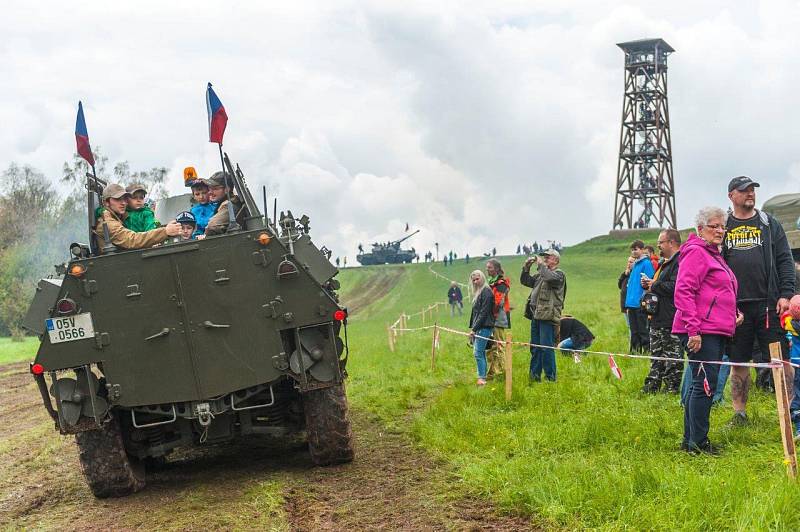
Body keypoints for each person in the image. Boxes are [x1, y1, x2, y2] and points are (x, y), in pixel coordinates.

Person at [723, 176, 795, 426]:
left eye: (752, 190)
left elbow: (785, 260)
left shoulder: (769, 223)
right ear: (731, 195)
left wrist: (786, 294)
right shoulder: (724, 226)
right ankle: (739, 414)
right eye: (744, 190)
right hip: (736, 309)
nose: (750, 194)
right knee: (738, 362)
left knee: (781, 361)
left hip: (769, 305)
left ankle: (788, 411)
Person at [673, 206, 740, 455]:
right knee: (705, 385)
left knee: (700, 384)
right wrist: (693, 330)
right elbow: (684, 291)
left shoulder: (714, 254)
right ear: (700, 229)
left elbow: (715, 293)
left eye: (723, 226)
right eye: (714, 226)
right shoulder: (697, 253)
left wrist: (733, 315)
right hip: (701, 330)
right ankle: (698, 444)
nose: (720, 231)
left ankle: (691, 440)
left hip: (713, 329)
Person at [641, 229, 683, 394]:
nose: (658, 245)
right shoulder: (664, 262)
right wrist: (650, 284)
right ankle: (653, 385)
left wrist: (654, 284)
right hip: (657, 317)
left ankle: (671, 387)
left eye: (661, 242)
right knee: (656, 355)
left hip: (671, 317)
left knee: (672, 356)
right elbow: (660, 285)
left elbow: (676, 287)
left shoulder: (680, 262)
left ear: (671, 242)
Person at [521, 249, 566, 382]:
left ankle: (550, 378)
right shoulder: (541, 274)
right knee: (535, 347)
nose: (545, 259)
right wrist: (526, 267)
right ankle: (534, 377)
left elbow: (549, 278)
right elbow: (526, 281)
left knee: (546, 348)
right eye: (544, 257)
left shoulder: (559, 275)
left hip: (548, 316)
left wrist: (540, 265)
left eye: (548, 257)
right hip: (536, 315)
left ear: (556, 260)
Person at [94, 183, 180, 252]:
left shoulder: (120, 218)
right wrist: (165, 232)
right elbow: (133, 240)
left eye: (124, 199)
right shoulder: (108, 224)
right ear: (106, 203)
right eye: (117, 199)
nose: (123, 203)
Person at [623, 240, 655, 353]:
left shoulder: (646, 263)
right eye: (632, 250)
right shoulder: (635, 264)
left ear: (642, 249)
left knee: (643, 329)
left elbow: (650, 281)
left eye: (636, 249)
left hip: (640, 303)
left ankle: (647, 351)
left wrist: (644, 299)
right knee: (634, 330)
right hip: (631, 303)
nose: (634, 251)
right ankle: (634, 352)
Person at [468, 269, 495, 386]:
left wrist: (474, 329)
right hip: (479, 326)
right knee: (480, 352)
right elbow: (475, 313)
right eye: (473, 280)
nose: (475, 282)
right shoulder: (479, 292)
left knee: (478, 352)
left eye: (477, 279)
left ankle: (482, 378)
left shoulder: (487, 292)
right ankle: (482, 377)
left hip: (485, 326)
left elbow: (483, 313)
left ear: (482, 278)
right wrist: (473, 327)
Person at [779, 295, 800, 438]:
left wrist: (788, 311)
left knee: (798, 394)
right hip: (797, 363)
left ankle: (798, 425)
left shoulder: (789, 322)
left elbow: (784, 318)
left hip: (796, 363)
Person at [486, 259, 511, 379]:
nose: (487, 269)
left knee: (499, 345)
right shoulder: (490, 282)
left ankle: (501, 372)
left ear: (496, 269)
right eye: (487, 267)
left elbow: (499, 302)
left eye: (490, 267)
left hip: (498, 318)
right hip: (489, 318)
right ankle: (492, 371)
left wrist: (488, 311)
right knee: (491, 346)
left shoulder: (501, 283)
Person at [203, 171, 247, 236]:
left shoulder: (229, 205)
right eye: (209, 188)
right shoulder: (224, 203)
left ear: (227, 189)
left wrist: (204, 236)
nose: (210, 192)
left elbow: (212, 227)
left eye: (215, 188)